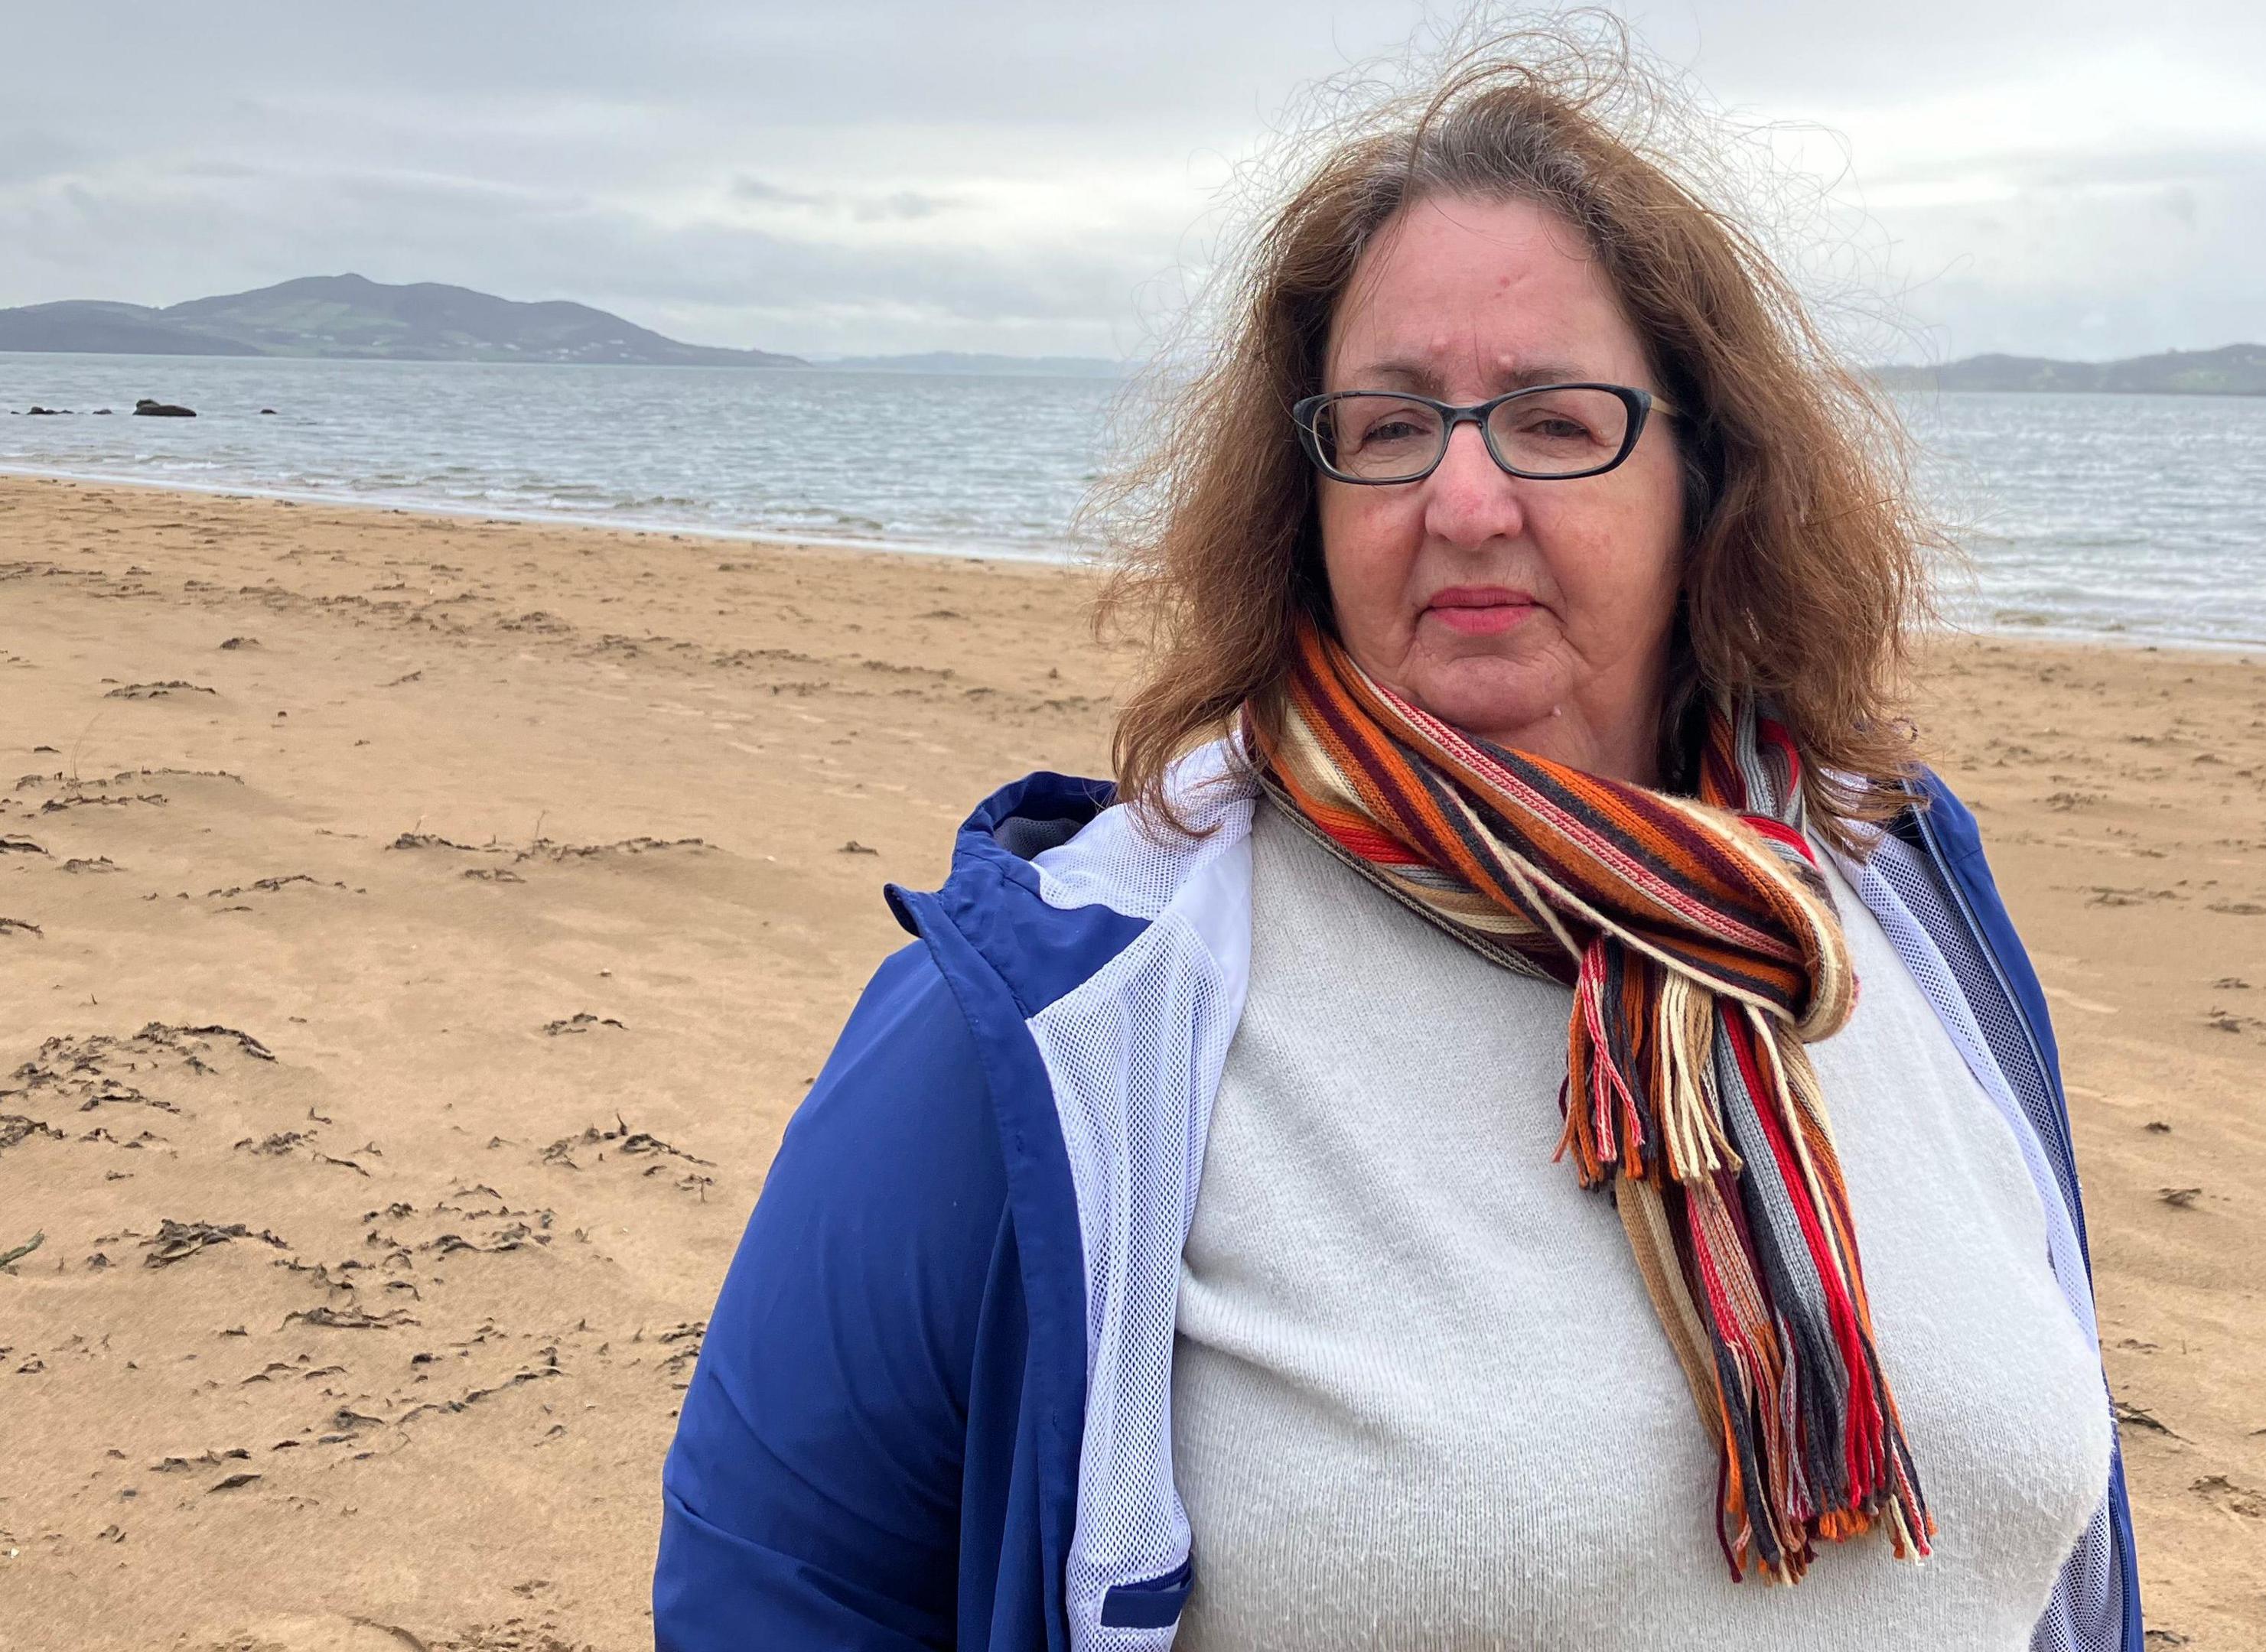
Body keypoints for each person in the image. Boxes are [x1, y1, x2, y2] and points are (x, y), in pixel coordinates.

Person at [655, 33, 2141, 1652]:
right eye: (1389, 427)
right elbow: (777, 1592)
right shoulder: (1061, 1009)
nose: (1467, 499)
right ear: (1309, 489)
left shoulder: (1887, 902)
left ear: (1704, 475)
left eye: (1558, 422)